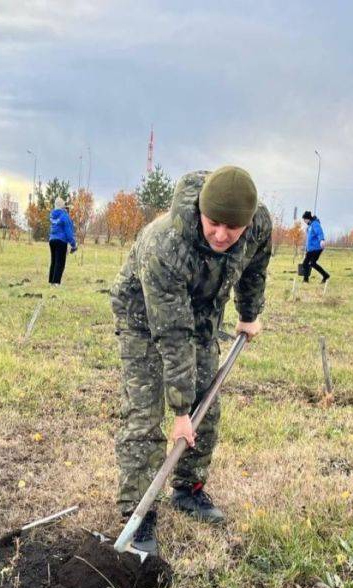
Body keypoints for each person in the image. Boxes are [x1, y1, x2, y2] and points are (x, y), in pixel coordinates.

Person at [110, 166, 271, 555]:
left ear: (247, 223)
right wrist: (180, 411)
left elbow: (255, 269)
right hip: (145, 317)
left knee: (207, 407)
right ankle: (140, 509)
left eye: (231, 229)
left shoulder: (258, 227)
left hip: (201, 315)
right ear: (200, 210)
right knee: (145, 414)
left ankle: (188, 487)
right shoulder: (164, 243)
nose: (221, 235)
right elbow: (171, 332)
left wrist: (249, 313)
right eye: (213, 223)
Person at [47, 197, 77, 284]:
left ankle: (51, 281)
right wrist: (73, 244)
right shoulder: (64, 216)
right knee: (60, 262)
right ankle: (56, 282)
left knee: (54, 261)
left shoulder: (52, 215)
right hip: (61, 241)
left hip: (52, 240)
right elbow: (69, 232)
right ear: (62, 206)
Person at [300, 210, 329, 283]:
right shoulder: (310, 226)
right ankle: (305, 280)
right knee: (305, 264)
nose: (304, 221)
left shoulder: (315, 224)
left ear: (307, 219)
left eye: (304, 219)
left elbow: (319, 232)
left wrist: (322, 240)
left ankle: (325, 275)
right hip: (310, 249)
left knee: (312, 263)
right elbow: (309, 239)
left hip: (316, 248)